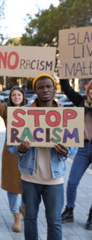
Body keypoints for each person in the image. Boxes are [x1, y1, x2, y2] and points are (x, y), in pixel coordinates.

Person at [7, 73, 77, 240]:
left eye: (48, 86)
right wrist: (21, 150)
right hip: (29, 178)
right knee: (30, 219)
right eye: (41, 87)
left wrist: (67, 151)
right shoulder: (22, 114)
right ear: (35, 91)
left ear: (54, 89)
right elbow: (10, 146)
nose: (45, 90)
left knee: (54, 222)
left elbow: (74, 145)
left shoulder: (66, 114)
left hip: (54, 180)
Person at [0, 69, 27, 232]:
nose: (16, 97)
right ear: (11, 98)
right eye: (13, 95)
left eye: (19, 95)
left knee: (28, 185)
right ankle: (16, 216)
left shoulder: (32, 111)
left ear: (23, 97)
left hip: (29, 153)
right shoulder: (6, 112)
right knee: (12, 186)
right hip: (11, 154)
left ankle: (24, 208)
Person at [59, 78, 92, 230]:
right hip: (83, 148)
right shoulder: (81, 101)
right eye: (91, 89)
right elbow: (67, 88)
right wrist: (62, 73)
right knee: (72, 182)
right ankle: (69, 210)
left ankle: (91, 215)